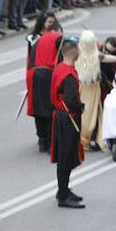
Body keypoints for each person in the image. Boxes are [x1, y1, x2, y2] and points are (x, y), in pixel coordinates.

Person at [50, 39, 86, 209]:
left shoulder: (59, 68)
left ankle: (63, 189)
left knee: (65, 155)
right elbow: (72, 102)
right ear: (73, 53)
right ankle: (63, 195)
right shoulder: (70, 76)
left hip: (60, 116)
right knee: (66, 156)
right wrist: (81, 107)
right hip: (68, 118)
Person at [25, 15, 62, 153]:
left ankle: (42, 140)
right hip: (48, 75)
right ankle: (51, 140)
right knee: (51, 108)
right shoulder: (57, 38)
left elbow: (31, 60)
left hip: (34, 74)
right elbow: (61, 59)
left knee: (38, 109)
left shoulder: (39, 40)